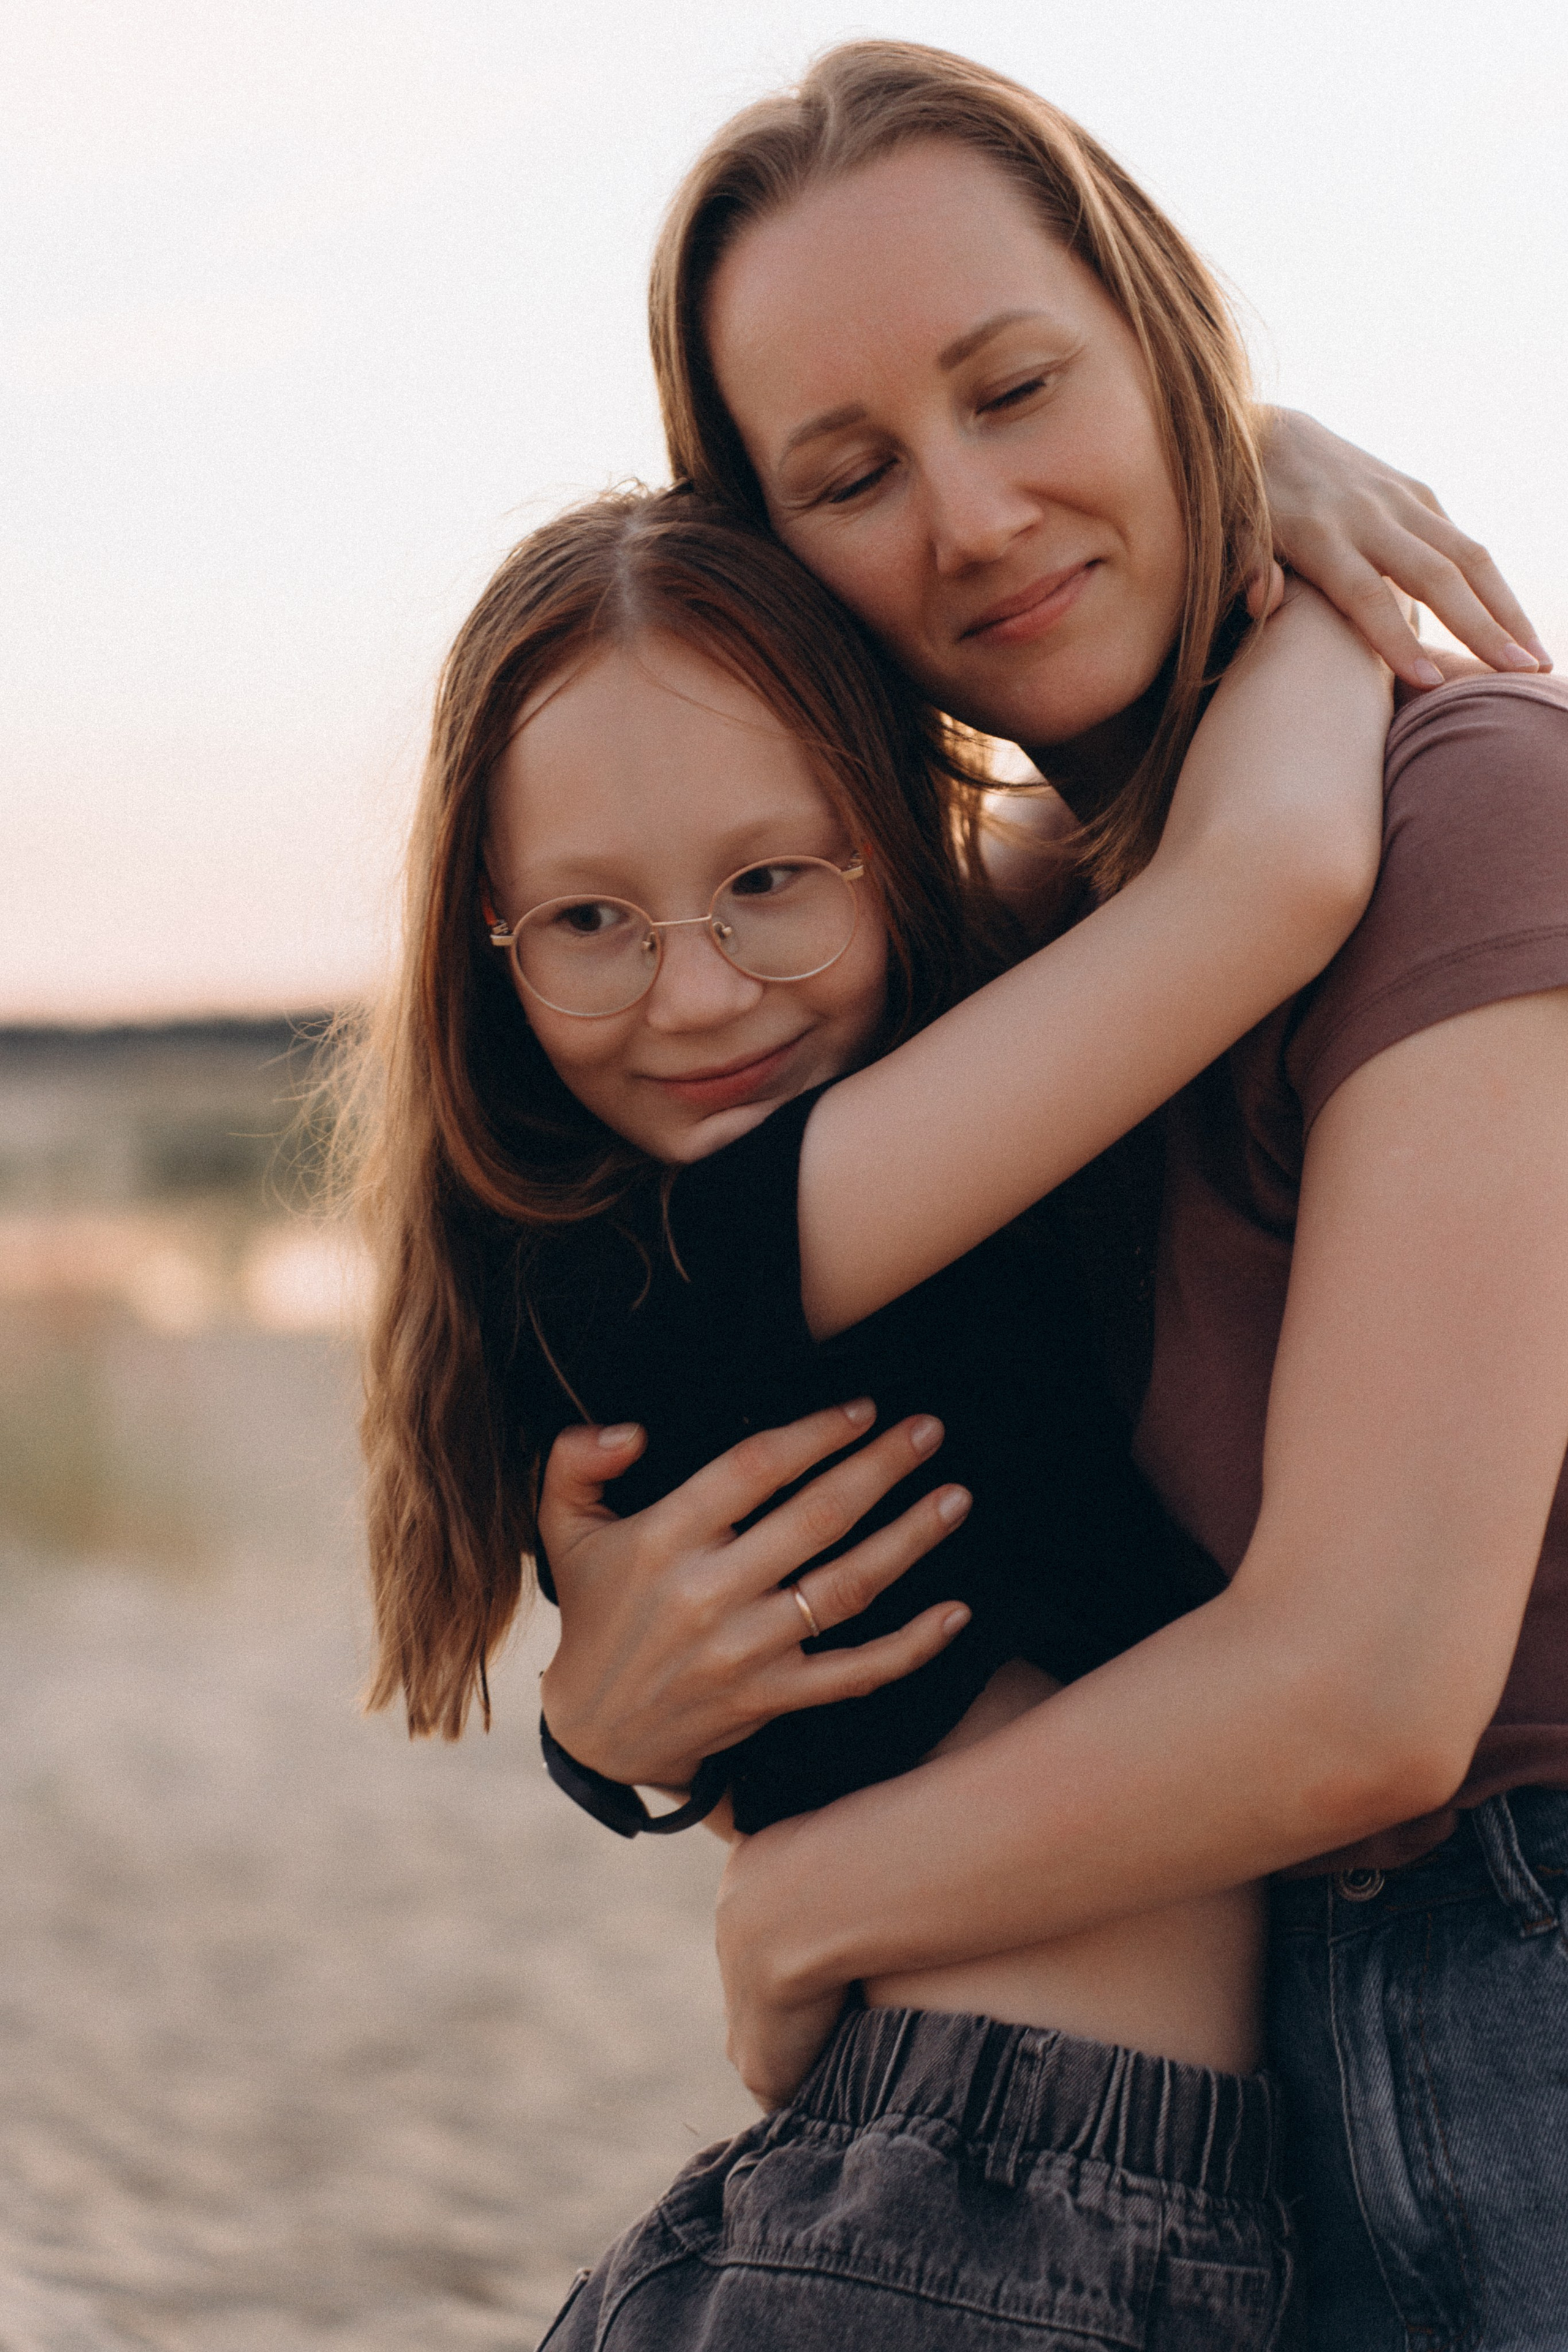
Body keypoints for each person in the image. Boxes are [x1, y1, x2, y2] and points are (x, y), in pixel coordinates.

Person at [533, 40, 1568, 2352]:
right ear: (768, 561)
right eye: (853, 471)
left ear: (1165, 340)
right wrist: (609, 1726)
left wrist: (796, 1918)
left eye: (1022, 385)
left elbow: (1374, 1688)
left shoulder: (1479, 801)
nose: (978, 517)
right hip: (1247, 2081)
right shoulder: (1013, 937)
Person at [350, 471, 1394, 2347]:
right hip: (994, 2215)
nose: (695, 997)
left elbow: (1055, 865)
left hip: (952, 2196)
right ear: (486, 949)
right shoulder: (681, 1258)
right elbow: (1273, 874)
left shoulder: (872, 1144)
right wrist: (1303, 543)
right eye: (589, 922)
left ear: (887, 844)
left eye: (767, 882)